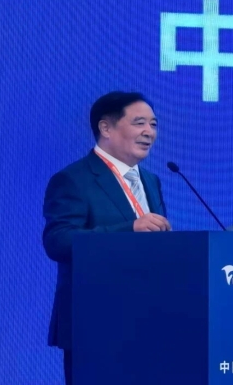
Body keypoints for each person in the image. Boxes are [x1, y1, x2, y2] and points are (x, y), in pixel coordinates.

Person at [42, 91, 171, 385]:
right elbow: (58, 241)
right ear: (106, 128)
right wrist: (130, 229)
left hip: (149, 318)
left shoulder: (150, 180)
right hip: (95, 321)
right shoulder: (73, 179)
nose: (149, 132)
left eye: (153, 124)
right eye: (139, 123)